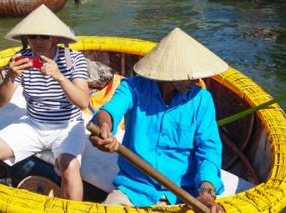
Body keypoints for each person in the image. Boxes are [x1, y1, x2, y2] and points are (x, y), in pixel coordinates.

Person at [89, 28, 227, 211]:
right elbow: (108, 111)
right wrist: (105, 127)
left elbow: (209, 150)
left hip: (183, 194)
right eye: (190, 74)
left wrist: (206, 193)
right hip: (134, 190)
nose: (196, 80)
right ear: (169, 72)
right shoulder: (134, 88)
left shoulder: (202, 100)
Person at [0, 5, 89, 201]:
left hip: (67, 125)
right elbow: (2, 102)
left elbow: (83, 102)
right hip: (33, 123)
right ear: (26, 39)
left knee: (70, 167)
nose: (38, 42)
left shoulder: (74, 59)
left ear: (55, 38)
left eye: (44, 36)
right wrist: (10, 76)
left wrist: (60, 77)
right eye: (32, 37)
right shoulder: (21, 60)